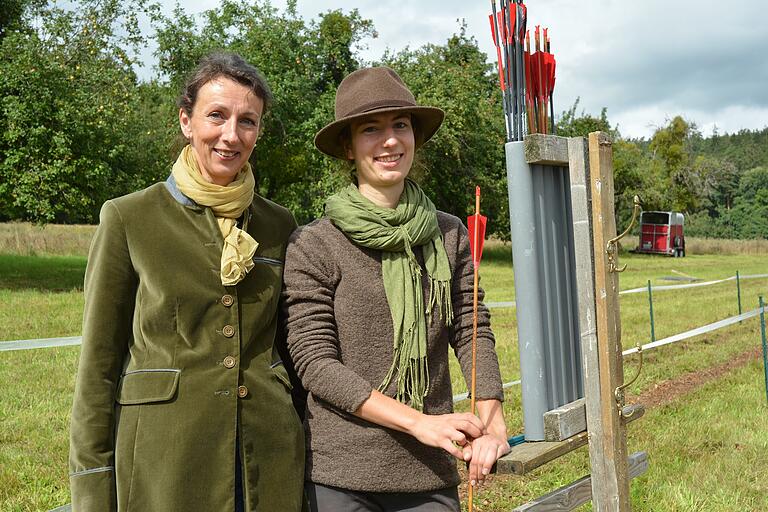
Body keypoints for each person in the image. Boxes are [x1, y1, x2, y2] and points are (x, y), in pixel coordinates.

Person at [68, 52, 305, 512]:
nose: (231, 135)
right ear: (186, 121)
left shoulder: (278, 223)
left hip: (268, 455)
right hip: (165, 457)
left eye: (248, 121)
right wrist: (93, 487)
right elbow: (98, 365)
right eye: (216, 115)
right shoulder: (128, 217)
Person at [282, 66, 510, 512]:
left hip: (430, 470)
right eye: (371, 129)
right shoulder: (314, 243)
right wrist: (419, 423)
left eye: (400, 125)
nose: (390, 141)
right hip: (341, 475)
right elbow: (316, 365)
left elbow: (469, 328)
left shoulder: (449, 234)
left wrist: (493, 420)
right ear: (348, 147)